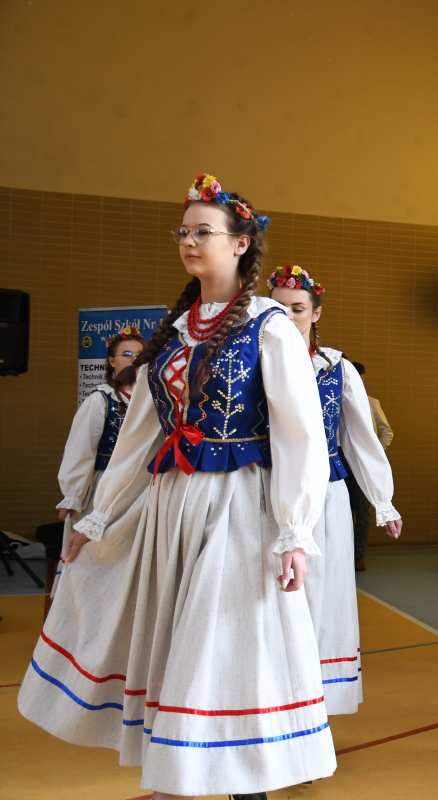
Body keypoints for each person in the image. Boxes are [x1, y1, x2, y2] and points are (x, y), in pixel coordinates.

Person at [18, 173, 335, 800]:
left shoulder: (269, 326)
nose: (189, 242)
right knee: (176, 641)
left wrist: (295, 532)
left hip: (239, 505)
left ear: (241, 243)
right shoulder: (174, 330)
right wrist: (96, 517)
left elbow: (300, 437)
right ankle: (178, 773)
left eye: (203, 232)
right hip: (171, 507)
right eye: (183, 232)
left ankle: (247, 780)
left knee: (233, 641)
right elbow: (138, 439)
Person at [269, 264, 402, 714]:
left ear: (316, 313)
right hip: (267, 495)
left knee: (321, 596)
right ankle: (269, 701)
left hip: (324, 496)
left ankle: (312, 705)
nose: (288, 317)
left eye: (298, 308)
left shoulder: (337, 369)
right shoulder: (253, 364)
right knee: (268, 598)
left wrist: (383, 500)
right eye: (278, 308)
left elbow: (361, 438)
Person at [52, 325, 144, 593]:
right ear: (112, 361)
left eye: (140, 356)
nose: (134, 360)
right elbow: (80, 451)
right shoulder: (101, 400)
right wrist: (73, 494)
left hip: (141, 492)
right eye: (126, 354)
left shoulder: (150, 402)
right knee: (93, 562)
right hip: (103, 492)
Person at [345, 360, 392, 572]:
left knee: (362, 513)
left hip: (361, 465)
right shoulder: (337, 401)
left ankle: (358, 555)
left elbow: (387, 431)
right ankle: (342, 555)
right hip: (339, 463)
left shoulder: (371, 403)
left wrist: (373, 453)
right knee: (341, 511)